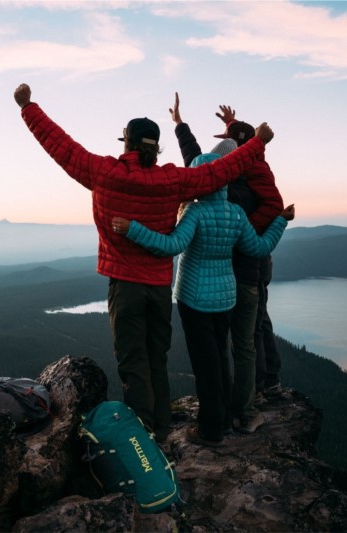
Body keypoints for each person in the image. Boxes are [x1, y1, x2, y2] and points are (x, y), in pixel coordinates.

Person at [13, 83, 275, 441]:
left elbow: (61, 147)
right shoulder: (172, 181)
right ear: (156, 146)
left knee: (133, 363)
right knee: (157, 359)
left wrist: (28, 107)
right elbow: (217, 173)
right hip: (159, 288)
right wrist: (256, 142)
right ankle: (164, 428)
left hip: (125, 286)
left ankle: (145, 435)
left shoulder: (104, 173)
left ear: (127, 143)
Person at [112, 152, 294, 446]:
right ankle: (222, 419)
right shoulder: (235, 213)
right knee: (220, 357)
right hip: (226, 297)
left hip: (194, 298)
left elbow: (171, 245)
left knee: (205, 364)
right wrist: (280, 222)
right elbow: (259, 248)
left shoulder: (195, 212)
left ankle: (210, 430)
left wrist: (132, 228)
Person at [169, 93, 284, 433]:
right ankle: (244, 408)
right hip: (237, 275)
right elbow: (199, 156)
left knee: (236, 344)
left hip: (243, 272)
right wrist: (180, 125)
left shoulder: (237, 187)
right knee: (241, 342)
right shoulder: (237, 182)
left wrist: (245, 232)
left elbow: (199, 162)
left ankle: (239, 409)